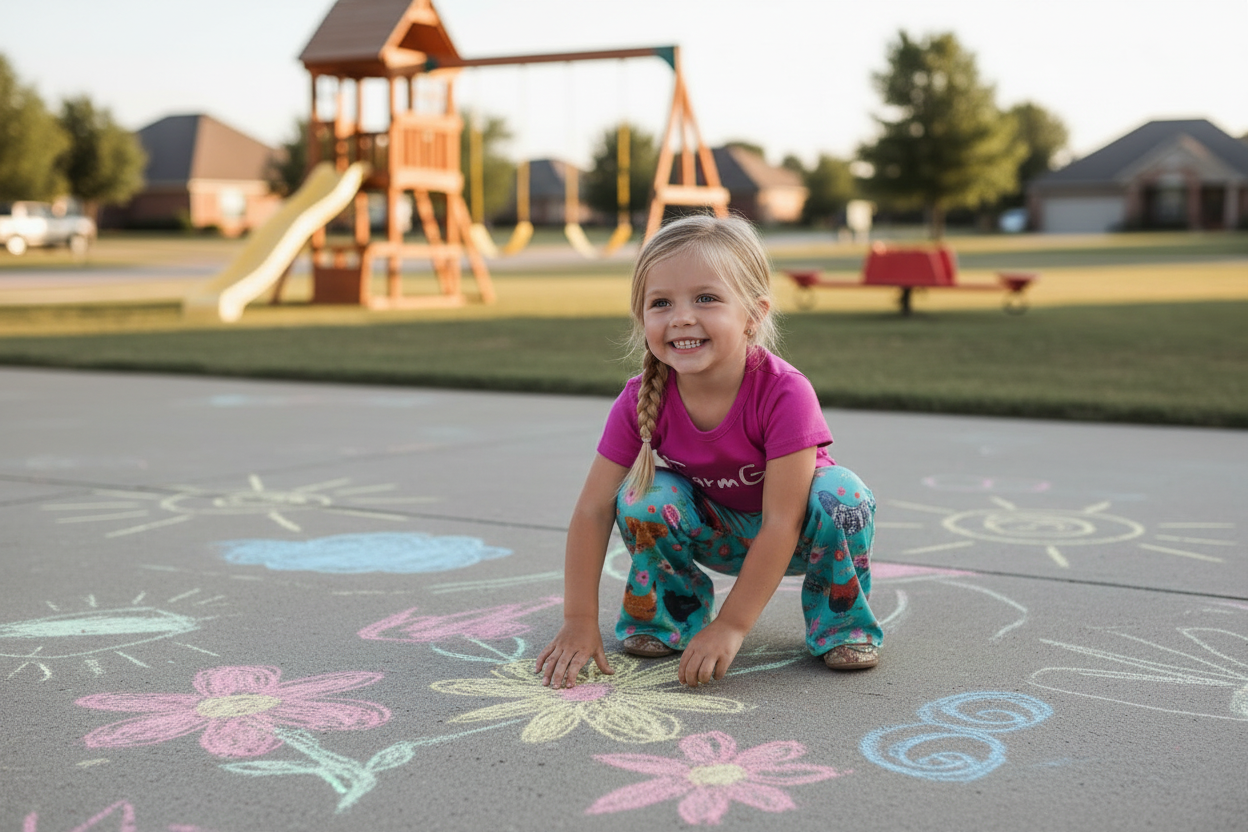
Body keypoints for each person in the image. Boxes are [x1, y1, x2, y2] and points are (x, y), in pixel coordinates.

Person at [535, 214, 881, 690]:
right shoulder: (640, 399)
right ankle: (669, 618)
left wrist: (732, 626)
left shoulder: (785, 393)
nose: (681, 317)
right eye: (661, 303)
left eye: (706, 298)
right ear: (643, 320)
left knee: (842, 493)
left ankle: (842, 625)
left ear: (754, 314)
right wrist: (578, 618)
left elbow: (782, 522)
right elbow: (592, 510)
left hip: (797, 535)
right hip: (712, 532)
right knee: (644, 496)